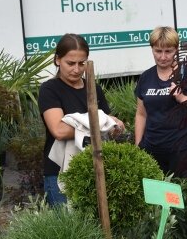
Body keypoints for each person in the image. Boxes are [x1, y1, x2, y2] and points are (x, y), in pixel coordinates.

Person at [38, 33, 125, 205]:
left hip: (94, 169)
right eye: (70, 63)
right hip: (59, 171)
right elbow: (59, 130)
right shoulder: (49, 89)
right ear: (57, 60)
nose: (76, 69)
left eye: (81, 63)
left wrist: (115, 127)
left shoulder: (94, 88)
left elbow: (107, 128)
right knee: (67, 229)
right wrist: (100, 124)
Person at [134, 26, 187, 177]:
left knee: (182, 196)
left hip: (184, 150)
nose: (163, 57)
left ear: (176, 49)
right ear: (152, 49)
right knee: (156, 197)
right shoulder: (146, 77)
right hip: (152, 150)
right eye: (158, 51)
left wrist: (183, 98)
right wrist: (138, 145)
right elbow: (141, 114)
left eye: (168, 51)